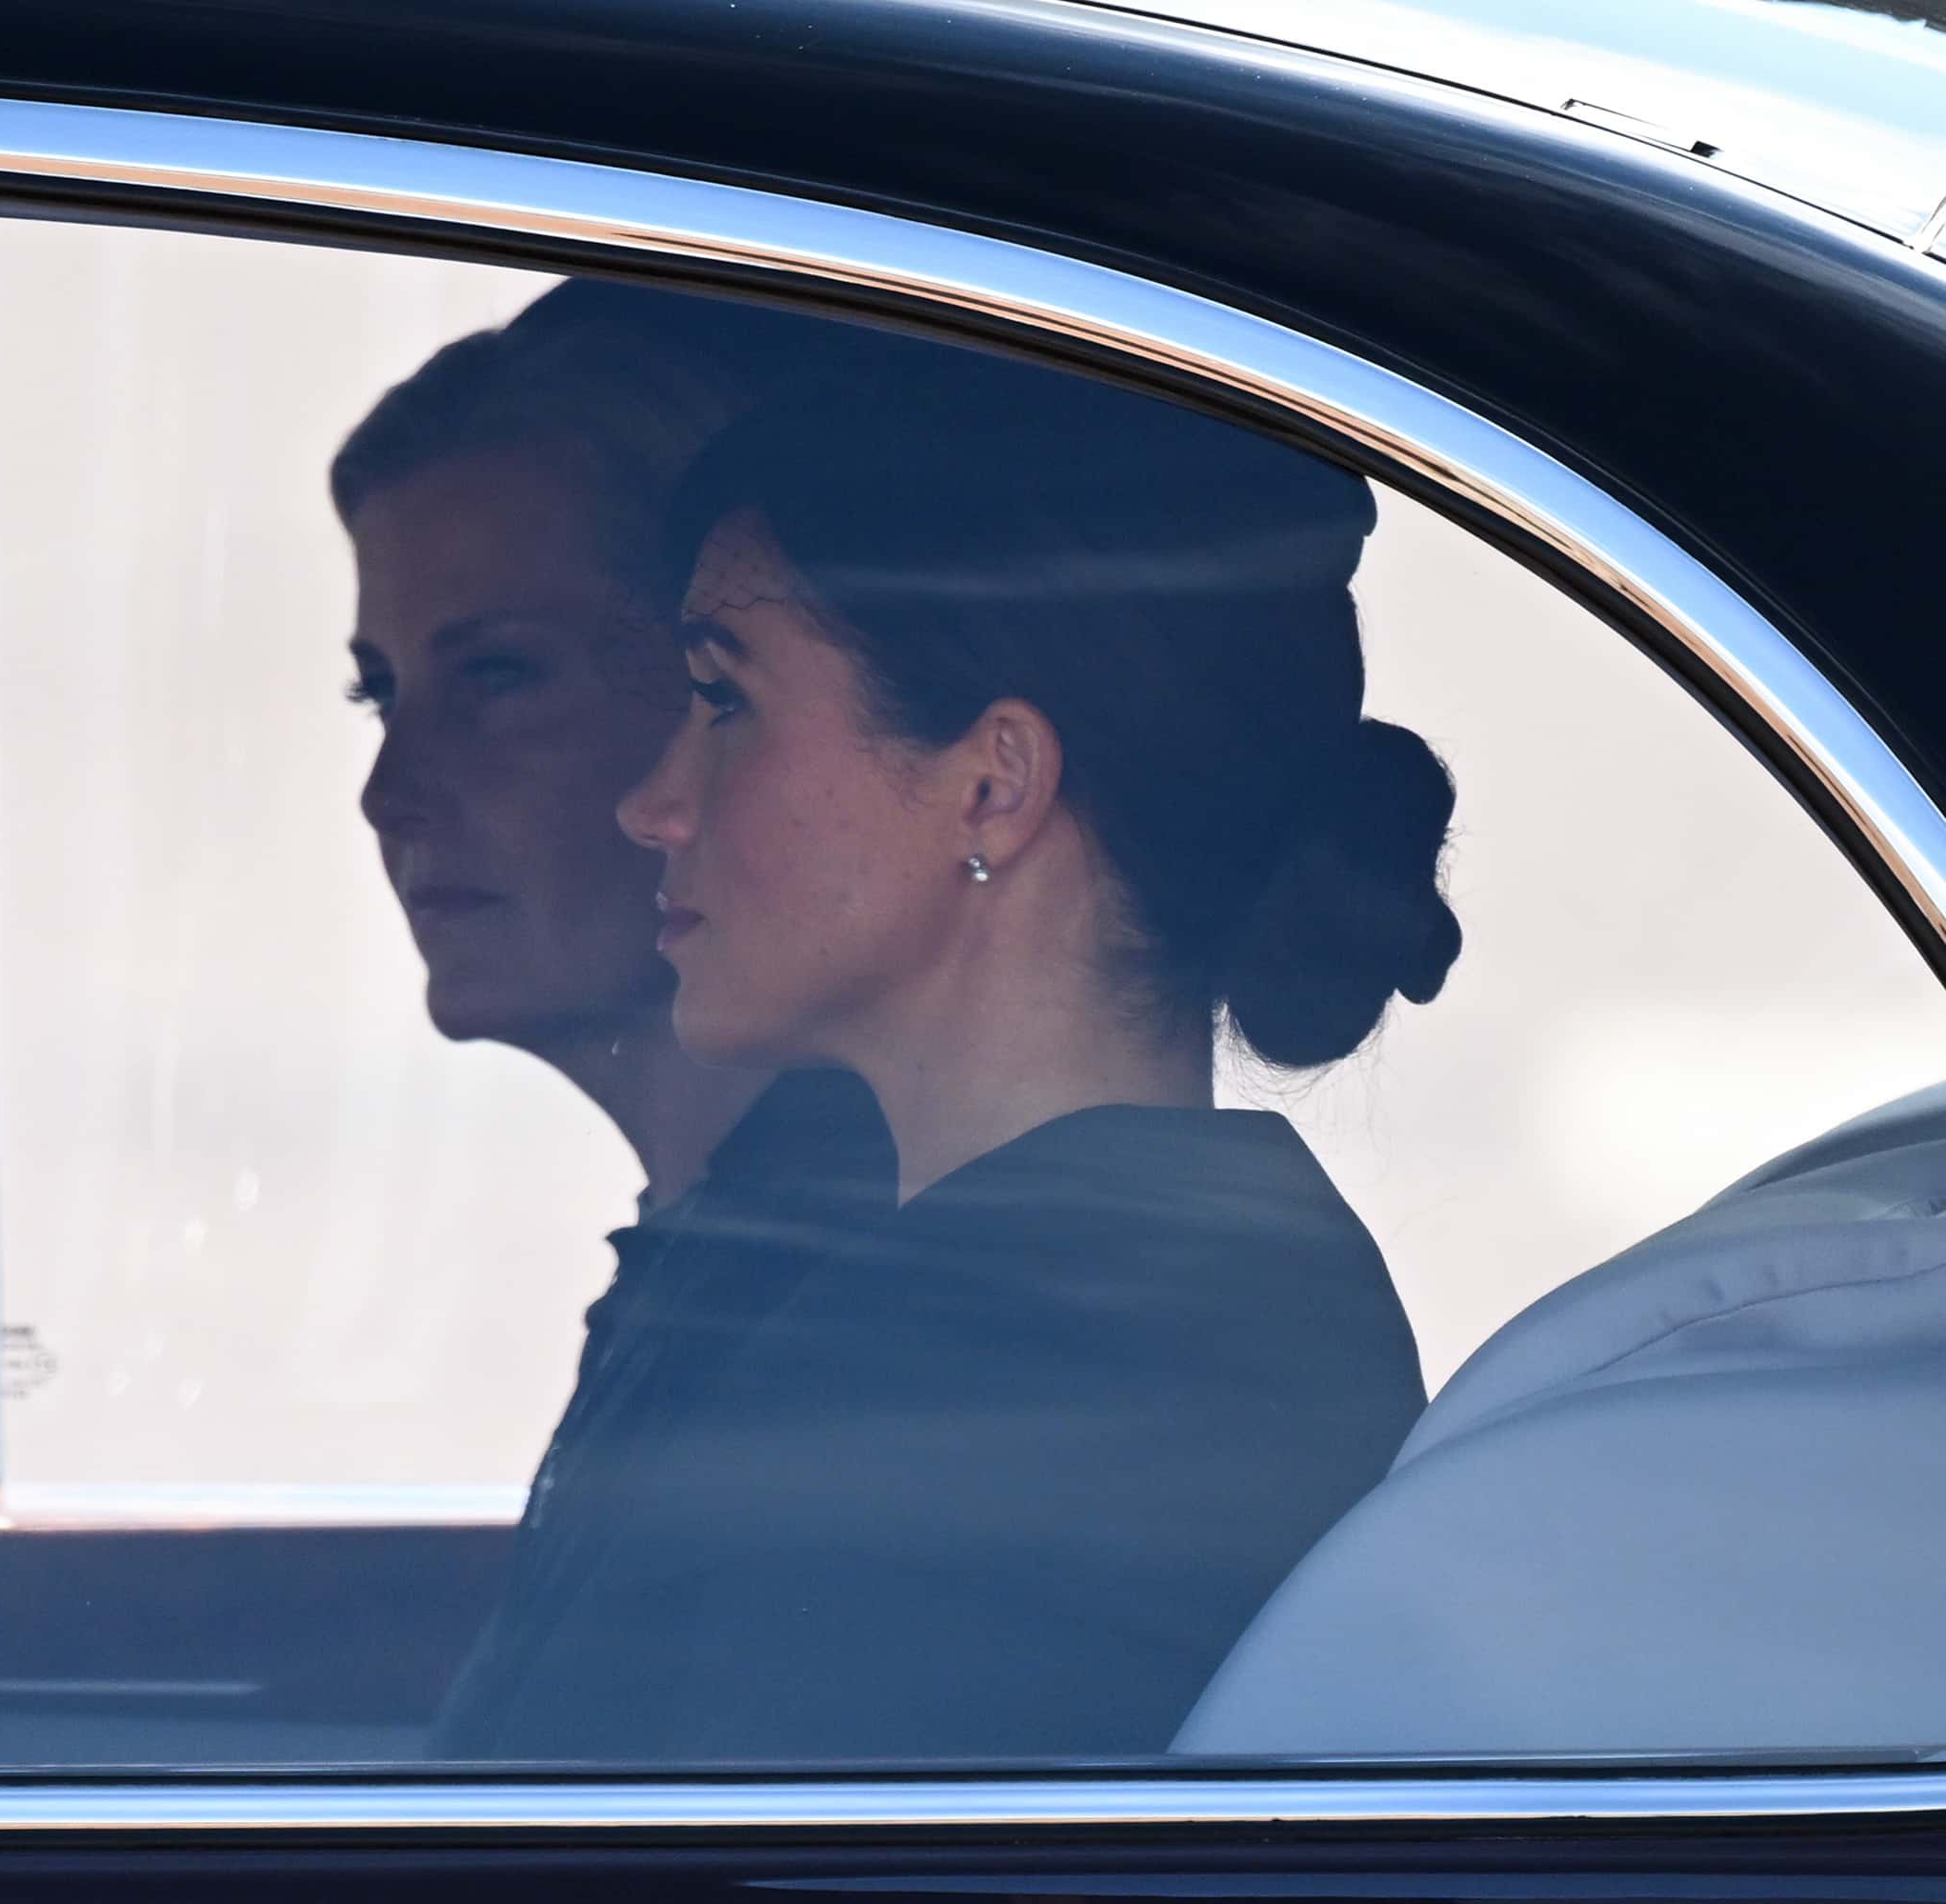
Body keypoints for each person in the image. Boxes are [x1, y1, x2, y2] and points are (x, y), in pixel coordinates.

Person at [456, 358, 1459, 1763]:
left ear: (992, 781)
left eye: (721, 697)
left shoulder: (1004, 1364)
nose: (651, 803)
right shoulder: (1113, 1290)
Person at [328, 282, 897, 1754]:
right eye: (381, 695)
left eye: (497, 676)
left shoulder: (840, 1326)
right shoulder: (720, 1257)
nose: (390, 795)